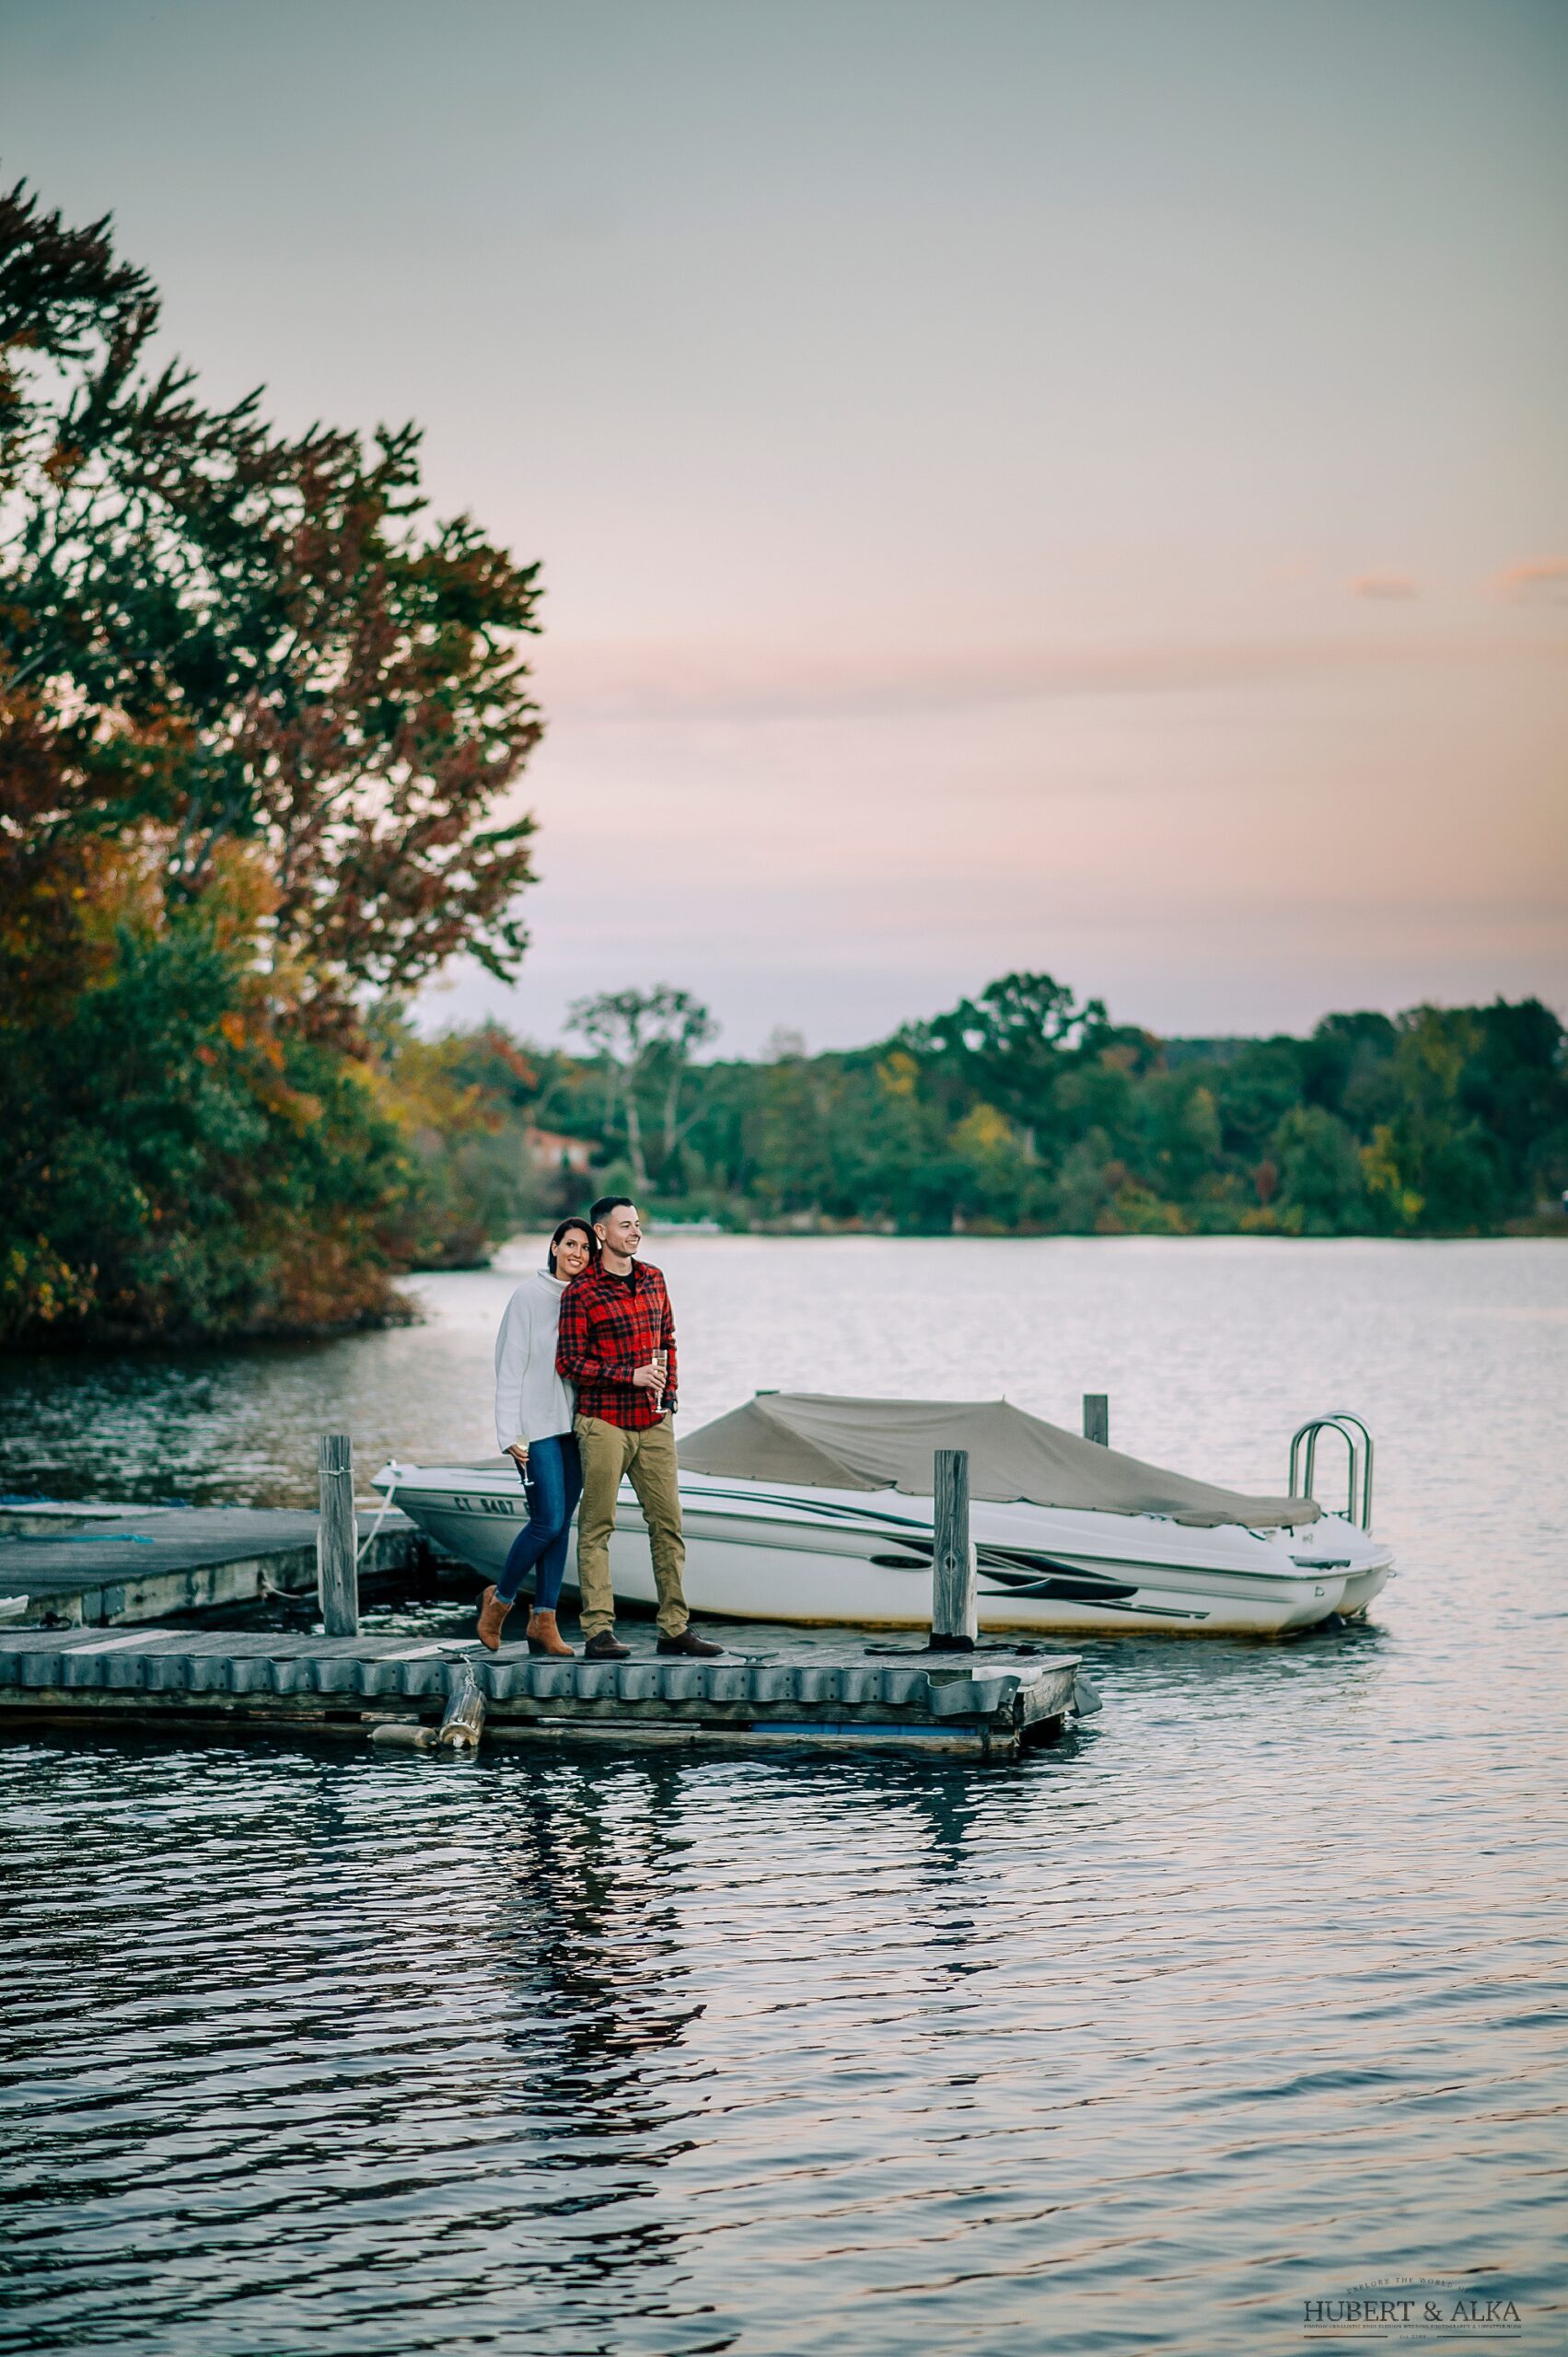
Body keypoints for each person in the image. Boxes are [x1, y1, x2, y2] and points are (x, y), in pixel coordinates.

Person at [555, 1195, 724, 1661]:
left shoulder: (653, 1278)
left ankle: (674, 1629)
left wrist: (670, 1394)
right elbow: (569, 1362)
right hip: (603, 1423)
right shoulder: (581, 1293)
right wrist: (627, 1376)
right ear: (601, 1232)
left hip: (654, 1422)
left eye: (637, 1224)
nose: (635, 1232)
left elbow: (667, 1339)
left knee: (668, 1524)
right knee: (597, 1527)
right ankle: (598, 1632)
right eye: (625, 1225)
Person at [477, 1216, 597, 1655]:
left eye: (585, 1248)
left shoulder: (586, 1299)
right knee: (546, 1521)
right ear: (554, 1246)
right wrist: (509, 1430)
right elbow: (508, 1364)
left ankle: (544, 1622)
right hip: (536, 1427)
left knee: (561, 1524)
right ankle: (499, 1601)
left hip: (574, 1427)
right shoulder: (529, 1296)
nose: (577, 1253)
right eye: (571, 1244)